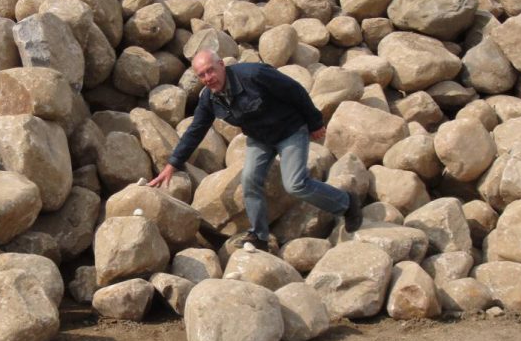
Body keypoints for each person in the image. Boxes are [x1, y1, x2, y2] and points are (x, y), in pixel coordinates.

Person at [149, 49, 363, 248]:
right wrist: (172, 165)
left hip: (290, 130)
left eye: (210, 70)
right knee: (250, 180)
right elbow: (195, 131)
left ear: (222, 65)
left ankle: (346, 202)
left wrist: (315, 123)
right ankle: (260, 236)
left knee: (295, 184)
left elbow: (294, 91)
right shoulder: (209, 98)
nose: (208, 78)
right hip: (260, 138)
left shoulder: (254, 74)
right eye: (202, 75)